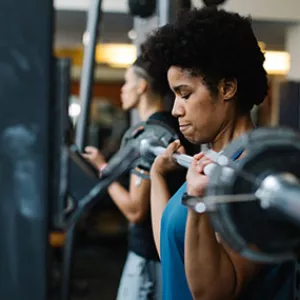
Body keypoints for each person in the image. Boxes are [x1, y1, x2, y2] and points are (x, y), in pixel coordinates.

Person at [142, 7, 295, 300]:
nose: (175, 109)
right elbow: (173, 251)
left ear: (226, 88)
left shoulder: (253, 178)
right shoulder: (207, 165)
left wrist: (198, 201)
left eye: (185, 94)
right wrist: (157, 176)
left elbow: (215, 291)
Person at [83, 55, 193, 300]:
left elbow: (135, 210)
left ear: (142, 87)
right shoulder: (165, 127)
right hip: (163, 251)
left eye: (126, 82)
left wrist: (102, 169)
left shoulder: (152, 135)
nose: (122, 89)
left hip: (149, 256)